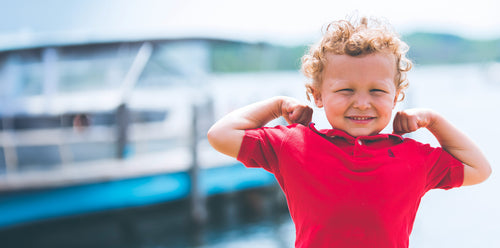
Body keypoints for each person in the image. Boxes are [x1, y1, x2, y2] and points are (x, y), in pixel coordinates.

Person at [207, 16, 491, 248]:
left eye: (377, 91)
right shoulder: (294, 144)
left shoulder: (413, 156)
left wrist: (434, 121)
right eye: (346, 90)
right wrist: (276, 105)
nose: (362, 102)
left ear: (396, 97)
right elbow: (220, 134)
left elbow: (480, 169)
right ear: (317, 96)